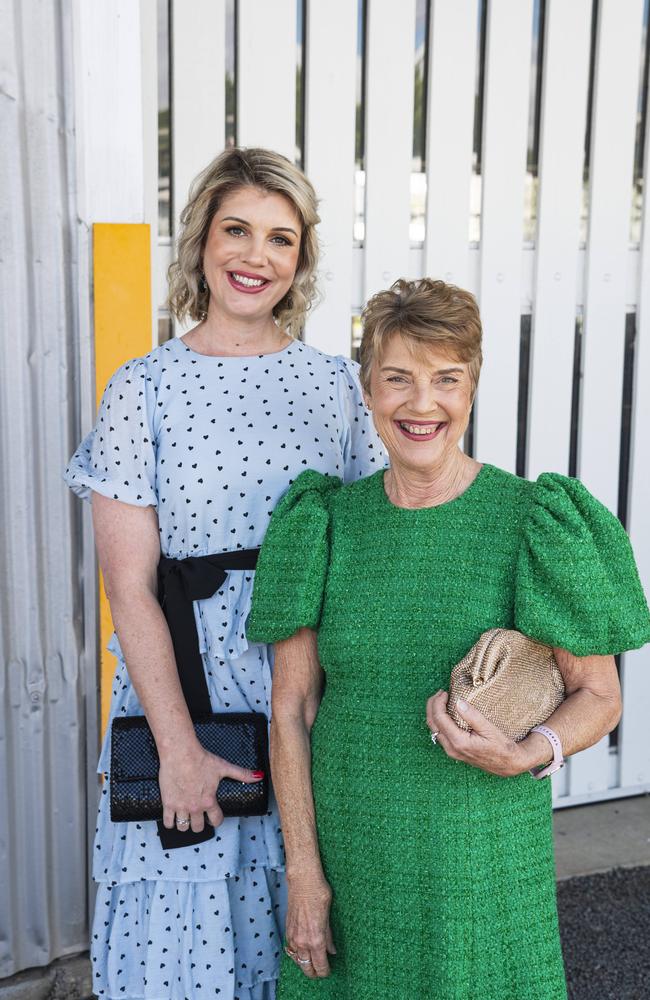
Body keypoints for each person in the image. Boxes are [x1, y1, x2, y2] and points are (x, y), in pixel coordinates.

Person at [247, 277, 650, 999]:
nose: (421, 403)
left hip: (482, 861)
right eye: (397, 378)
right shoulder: (323, 523)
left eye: (446, 379)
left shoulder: (531, 519)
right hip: (351, 858)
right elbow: (291, 709)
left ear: (471, 389)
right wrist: (305, 874)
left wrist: (530, 750)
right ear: (368, 389)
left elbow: (599, 694)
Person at [64, 147, 383, 1000]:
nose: (255, 256)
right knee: (186, 934)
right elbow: (129, 586)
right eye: (236, 230)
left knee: (314, 923)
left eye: (281, 239)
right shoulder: (144, 388)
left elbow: (379, 544)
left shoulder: (338, 388)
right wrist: (177, 748)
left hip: (309, 689)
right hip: (190, 694)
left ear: (301, 260)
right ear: (201, 241)